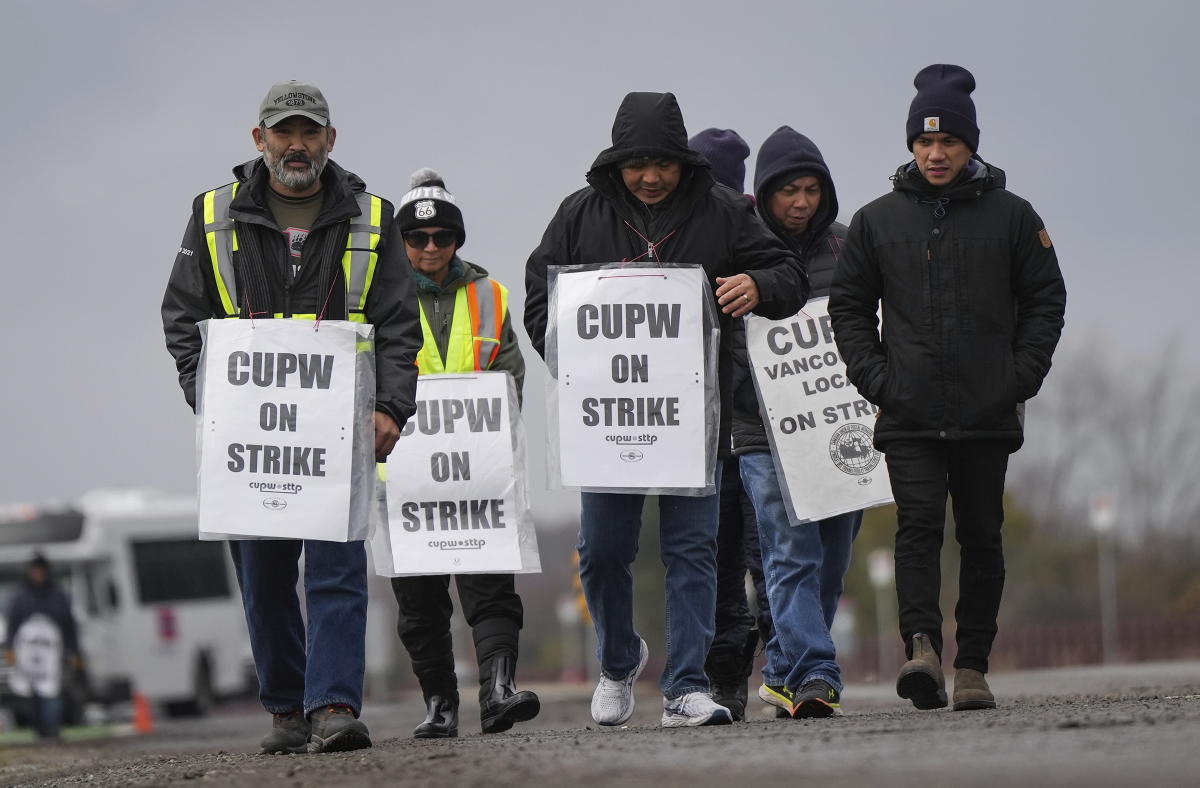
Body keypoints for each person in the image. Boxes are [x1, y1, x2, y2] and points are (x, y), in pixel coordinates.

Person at [525, 92, 808, 728]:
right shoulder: (579, 214)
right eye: (636, 164)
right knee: (601, 552)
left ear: (682, 161)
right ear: (616, 163)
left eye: (663, 164)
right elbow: (540, 294)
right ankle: (620, 660)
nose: (650, 176)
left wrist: (758, 285)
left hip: (691, 419)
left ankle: (685, 685)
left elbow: (787, 272)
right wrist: (569, 366)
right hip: (609, 421)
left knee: (694, 551)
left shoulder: (725, 211)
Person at [161, 80, 422, 752]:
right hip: (250, 439)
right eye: (284, 132)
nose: (297, 145)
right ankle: (286, 709)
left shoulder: (372, 215)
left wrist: (392, 405)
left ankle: (334, 706)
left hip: (340, 431)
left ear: (331, 140)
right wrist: (209, 397)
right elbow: (182, 315)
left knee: (338, 569)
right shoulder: (213, 213)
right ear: (260, 140)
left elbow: (398, 322)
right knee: (264, 576)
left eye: (310, 132)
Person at [829, 64, 1066, 711]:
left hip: (987, 410)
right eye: (924, 143)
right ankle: (923, 650)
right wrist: (877, 379)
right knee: (918, 528)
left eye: (949, 143)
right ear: (911, 145)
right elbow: (848, 306)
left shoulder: (1014, 217)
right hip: (906, 410)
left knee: (983, 534)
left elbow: (1046, 298)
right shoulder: (877, 221)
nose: (936, 154)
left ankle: (974, 668)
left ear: (970, 146)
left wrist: (1018, 378)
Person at [389, 168, 540, 739]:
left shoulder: (490, 294)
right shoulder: (379, 295)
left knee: (491, 586)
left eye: (442, 238)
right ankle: (439, 705)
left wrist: (491, 445)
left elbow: (510, 376)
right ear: (403, 240)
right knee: (419, 600)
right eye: (418, 238)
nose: (430, 248)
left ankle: (498, 692)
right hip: (405, 476)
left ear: (457, 241)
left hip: (479, 472)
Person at [732, 126, 864, 719]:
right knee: (789, 550)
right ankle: (816, 672)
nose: (802, 202)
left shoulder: (851, 247)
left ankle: (785, 667)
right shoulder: (739, 249)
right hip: (762, 431)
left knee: (831, 557)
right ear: (765, 194)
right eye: (789, 191)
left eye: (812, 189)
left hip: (842, 427)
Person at [687, 127, 770, 721]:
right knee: (738, 557)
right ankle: (738, 671)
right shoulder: (750, 239)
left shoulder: (748, 248)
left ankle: (743, 673)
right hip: (723, 431)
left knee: (737, 559)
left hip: (742, 430)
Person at [3, 555, 80, 740]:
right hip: (27, 654)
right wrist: (10, 649)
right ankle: (40, 730)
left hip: (53, 654)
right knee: (31, 694)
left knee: (52, 691)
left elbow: (69, 625)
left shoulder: (58, 595)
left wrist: (73, 650)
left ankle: (51, 730)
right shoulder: (21, 597)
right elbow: (12, 624)